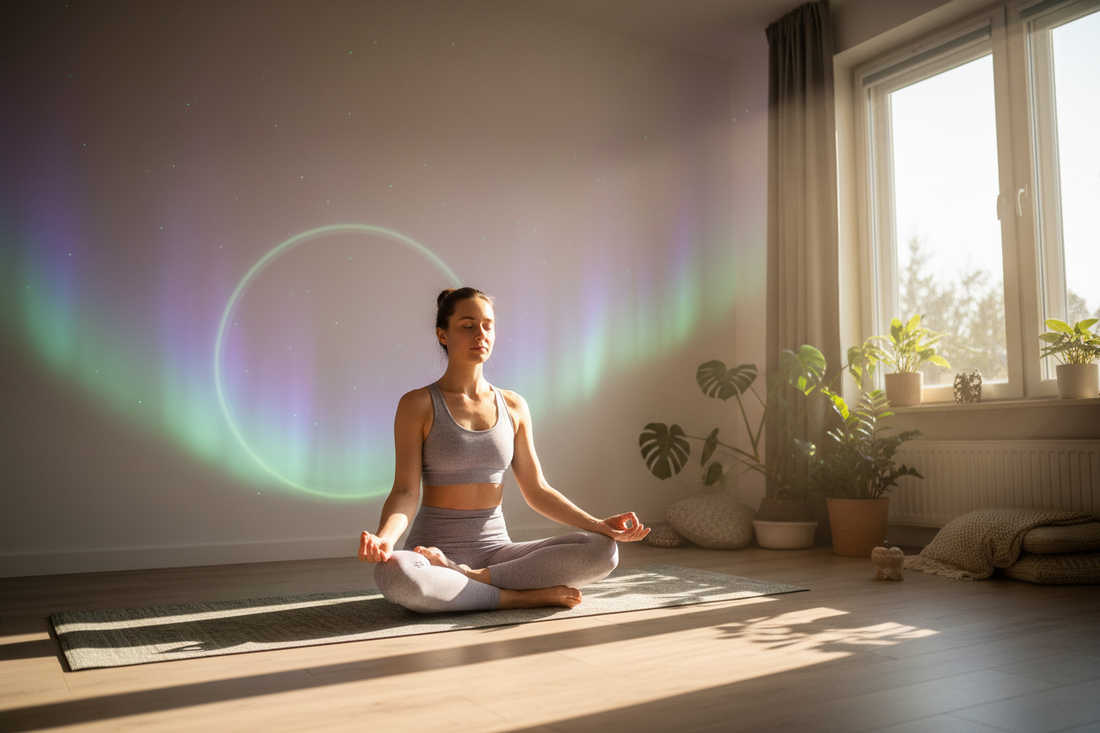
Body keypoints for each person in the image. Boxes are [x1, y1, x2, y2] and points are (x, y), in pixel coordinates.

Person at [359, 287, 650, 612]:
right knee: (395, 573)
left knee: (603, 549)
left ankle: (470, 579)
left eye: (488, 325)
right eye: (468, 325)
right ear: (443, 334)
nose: (480, 334)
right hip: (430, 551)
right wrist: (385, 538)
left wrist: (597, 524)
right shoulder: (418, 404)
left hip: (496, 553)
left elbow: (537, 490)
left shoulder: (513, 406)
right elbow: (404, 492)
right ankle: (518, 597)